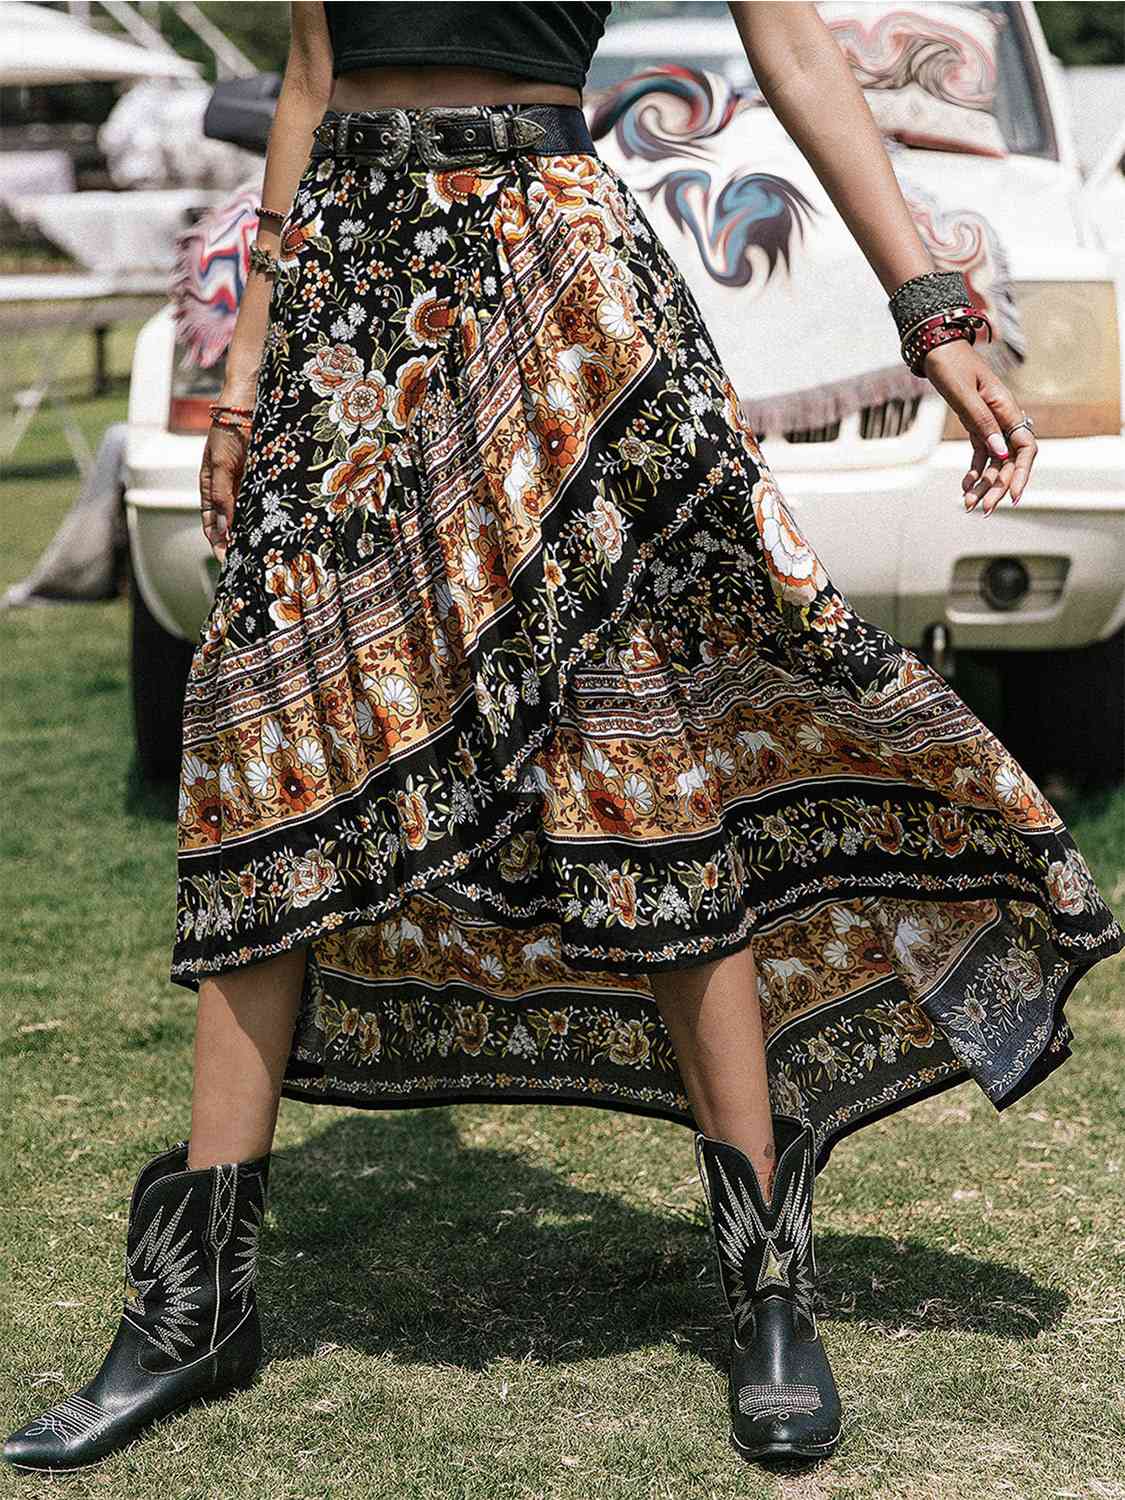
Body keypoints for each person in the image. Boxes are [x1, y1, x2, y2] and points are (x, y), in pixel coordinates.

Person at [6, 0, 1122, 1475]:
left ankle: (767, 1282)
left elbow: (798, 57)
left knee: (633, 751)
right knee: (266, 743)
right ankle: (195, 1302)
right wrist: (243, 375)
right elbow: (310, 77)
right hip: (343, 288)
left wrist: (933, 314)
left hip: (553, 282)